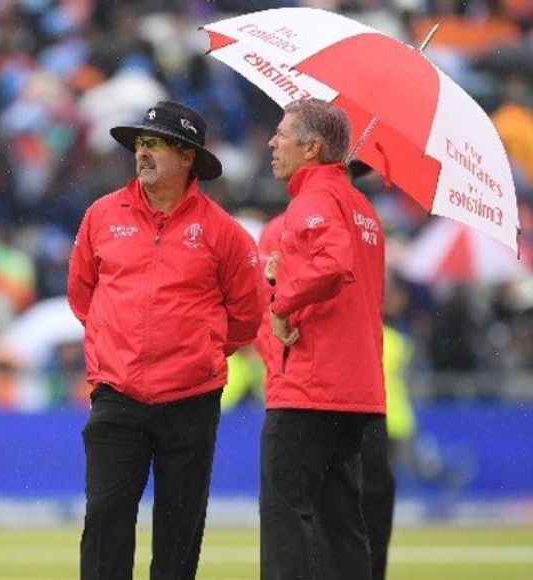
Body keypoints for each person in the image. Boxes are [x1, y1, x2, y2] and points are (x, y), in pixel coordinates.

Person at [67, 100, 263, 579]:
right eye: (140, 142)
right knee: (105, 521)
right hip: (117, 394)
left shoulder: (224, 232)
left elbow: (247, 316)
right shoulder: (100, 215)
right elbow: (82, 295)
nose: (142, 152)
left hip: (191, 400)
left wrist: (194, 353)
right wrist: (119, 347)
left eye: (155, 143)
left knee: (179, 533)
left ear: (187, 156)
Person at [260, 98, 386, 580]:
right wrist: (287, 273)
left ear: (311, 147)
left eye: (281, 133)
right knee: (342, 527)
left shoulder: (314, 199)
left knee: (286, 521)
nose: (272, 142)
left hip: (310, 386)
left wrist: (281, 303)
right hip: (355, 390)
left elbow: (333, 265)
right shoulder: (361, 207)